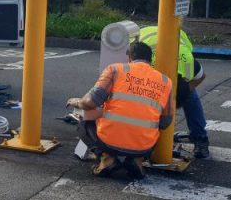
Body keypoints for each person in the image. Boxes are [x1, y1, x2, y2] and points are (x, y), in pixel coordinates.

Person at [67, 41, 174, 179]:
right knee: (154, 128)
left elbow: (90, 102)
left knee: (84, 123)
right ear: (150, 60)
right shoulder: (166, 82)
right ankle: (137, 160)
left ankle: (107, 159)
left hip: (109, 141)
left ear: (129, 57)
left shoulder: (116, 70)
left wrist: (75, 101)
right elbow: (165, 122)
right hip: (144, 145)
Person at [137, 25, 209, 159]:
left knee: (191, 97)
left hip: (176, 39)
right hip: (144, 39)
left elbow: (201, 76)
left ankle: (200, 138)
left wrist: (187, 90)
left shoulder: (188, 66)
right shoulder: (151, 68)